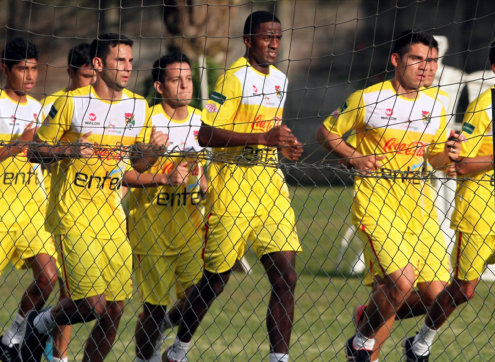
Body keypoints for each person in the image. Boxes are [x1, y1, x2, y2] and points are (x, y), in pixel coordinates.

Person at [161, 11, 303, 362]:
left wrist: (284, 144)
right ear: (248, 40)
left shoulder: (282, 80)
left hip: (270, 184)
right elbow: (205, 132)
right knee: (215, 281)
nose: (273, 44)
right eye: (266, 37)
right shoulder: (231, 79)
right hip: (233, 187)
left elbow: (272, 132)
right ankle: (178, 349)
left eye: (277, 37)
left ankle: (278, 358)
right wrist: (261, 137)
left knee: (286, 277)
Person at [316, 30, 463, 362]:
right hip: (376, 204)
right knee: (400, 283)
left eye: (432, 61)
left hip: (420, 209)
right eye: (417, 59)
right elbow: (326, 131)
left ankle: (370, 317)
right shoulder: (367, 98)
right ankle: (362, 342)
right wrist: (354, 157)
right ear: (397, 60)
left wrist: (449, 157)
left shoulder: (436, 105)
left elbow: (435, 158)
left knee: (437, 295)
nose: (426, 68)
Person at [21, 33, 166, 362]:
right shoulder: (73, 102)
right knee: (91, 304)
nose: (128, 67)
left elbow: (136, 165)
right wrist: (68, 149)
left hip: (112, 218)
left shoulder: (138, 107)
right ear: (99, 64)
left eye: (130, 61)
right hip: (72, 216)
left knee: (113, 310)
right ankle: (40, 322)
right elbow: (34, 152)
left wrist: (154, 154)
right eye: (120, 61)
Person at [404, 34, 495, 362]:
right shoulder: (483, 107)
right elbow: (461, 165)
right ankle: (420, 342)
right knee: (464, 290)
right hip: (479, 208)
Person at [124, 51, 206, 362]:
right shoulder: (147, 119)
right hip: (151, 227)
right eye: (176, 80)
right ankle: (146, 358)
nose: (184, 85)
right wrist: (156, 160)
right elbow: (130, 170)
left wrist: (201, 182)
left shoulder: (201, 121)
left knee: (199, 297)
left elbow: (202, 173)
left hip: (189, 226)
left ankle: (169, 343)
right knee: (154, 306)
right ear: (160, 87)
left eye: (188, 79)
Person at [0, 37, 59, 362]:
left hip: (31, 213)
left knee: (49, 278)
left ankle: (14, 334)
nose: (30, 75)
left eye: (34, 68)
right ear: (5, 69)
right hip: (0, 211)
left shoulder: (40, 110)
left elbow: (44, 159)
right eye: (23, 68)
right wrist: (17, 145)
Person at [39, 42, 95, 362]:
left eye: (95, 75)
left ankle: (38, 335)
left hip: (98, 209)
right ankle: (55, 354)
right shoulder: (59, 103)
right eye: (85, 76)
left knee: (76, 293)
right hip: (59, 206)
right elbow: (40, 154)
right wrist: (66, 150)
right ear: (71, 73)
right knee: (67, 289)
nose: (91, 82)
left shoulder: (105, 106)